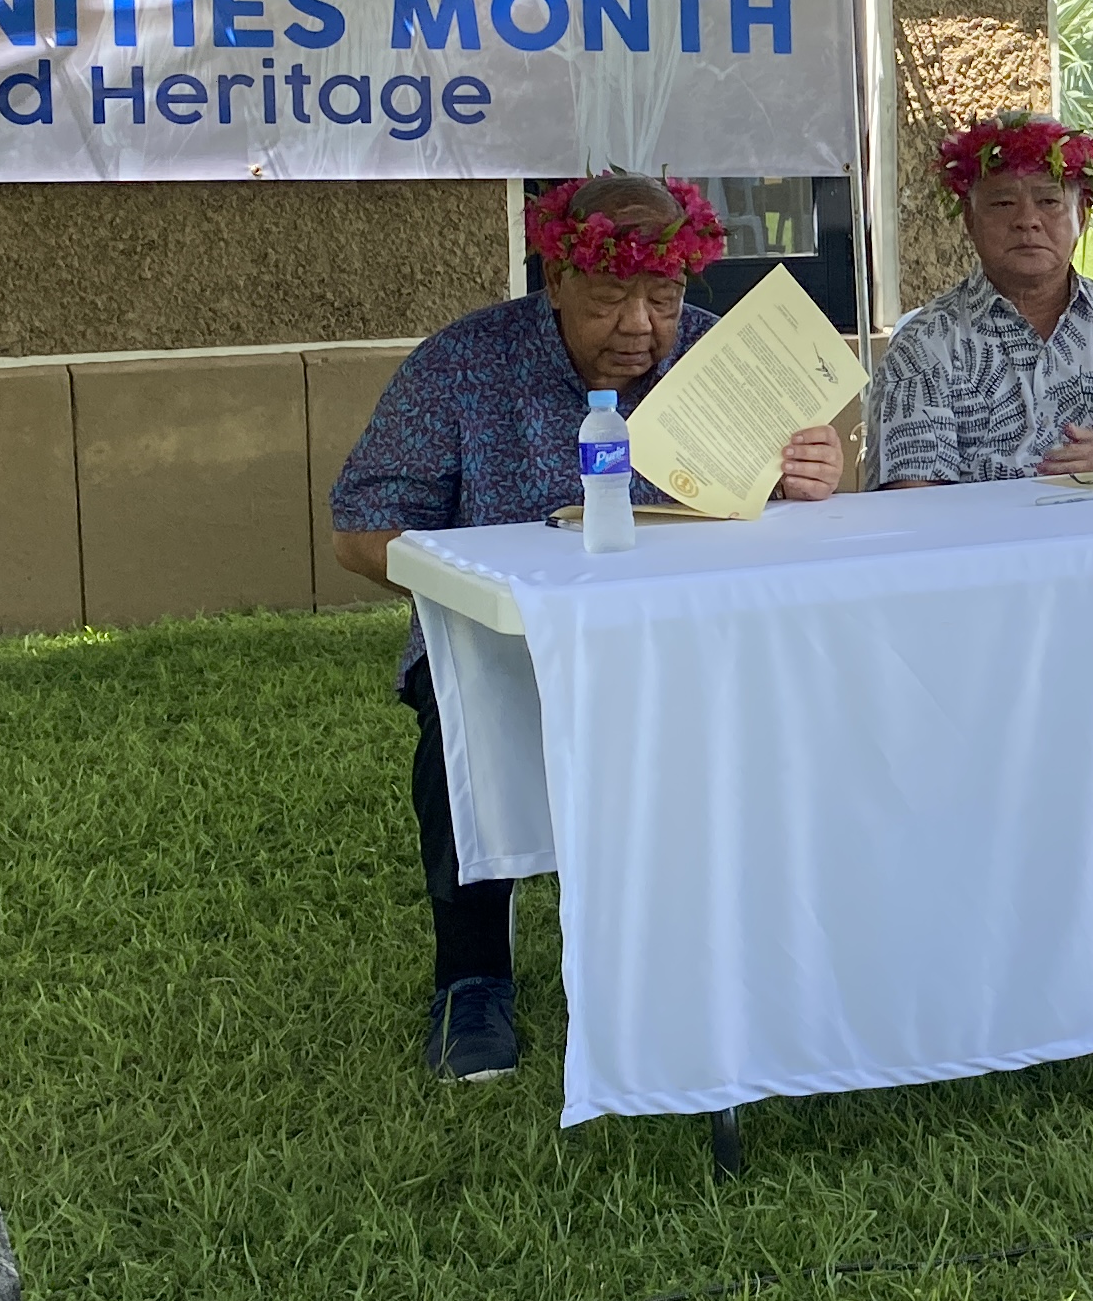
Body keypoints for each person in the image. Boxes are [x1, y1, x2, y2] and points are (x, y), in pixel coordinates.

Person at [331, 174, 845, 1082]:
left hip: (686, 640)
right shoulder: (464, 363)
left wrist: (811, 474)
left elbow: (783, 512)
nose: (643, 329)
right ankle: (474, 981)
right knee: (462, 734)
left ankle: (734, 956)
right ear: (556, 278)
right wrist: (476, 584)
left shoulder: (721, 358)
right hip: (501, 644)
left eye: (666, 297)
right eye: (611, 299)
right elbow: (361, 529)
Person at [874, 114, 1093, 485]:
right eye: (1003, 204)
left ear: (1081, 218)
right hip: (985, 540)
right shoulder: (926, 343)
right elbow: (910, 492)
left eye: (1049, 201)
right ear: (970, 222)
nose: (1027, 221)